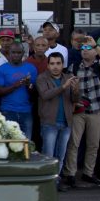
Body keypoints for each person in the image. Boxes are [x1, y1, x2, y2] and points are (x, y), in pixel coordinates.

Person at [63, 36, 100, 187]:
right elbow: (68, 88)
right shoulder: (74, 67)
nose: (85, 51)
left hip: (96, 110)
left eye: (88, 48)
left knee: (93, 144)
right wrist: (74, 100)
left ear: (94, 52)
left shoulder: (99, 66)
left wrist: (95, 45)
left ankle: (88, 173)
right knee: (74, 144)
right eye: (83, 48)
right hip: (78, 111)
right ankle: (70, 173)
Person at [36, 52, 79, 191]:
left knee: (61, 155)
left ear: (62, 65)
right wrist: (64, 87)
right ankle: (46, 182)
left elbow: (74, 100)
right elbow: (45, 95)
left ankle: (56, 181)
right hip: (49, 123)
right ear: (48, 65)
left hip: (66, 122)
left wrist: (76, 89)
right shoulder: (42, 78)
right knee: (48, 155)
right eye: (52, 63)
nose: (55, 67)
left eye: (58, 63)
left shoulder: (68, 78)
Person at [0, 43, 38, 139]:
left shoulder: (31, 68)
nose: (16, 55)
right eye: (13, 52)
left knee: (26, 144)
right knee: (8, 144)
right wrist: (15, 85)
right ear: (9, 53)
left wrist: (28, 85)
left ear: (23, 53)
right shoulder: (1, 69)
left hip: (26, 112)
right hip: (8, 111)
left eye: (19, 52)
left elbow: (35, 93)